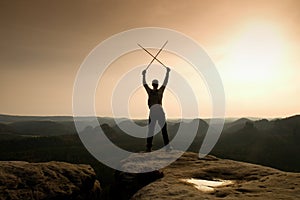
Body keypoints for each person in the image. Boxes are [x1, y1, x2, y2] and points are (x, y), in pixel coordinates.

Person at [142, 67, 172, 152]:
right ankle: (167, 147)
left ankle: (148, 147)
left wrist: (144, 75)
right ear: (157, 85)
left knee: (151, 130)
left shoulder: (150, 92)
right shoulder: (160, 91)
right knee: (164, 130)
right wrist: (167, 72)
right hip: (160, 111)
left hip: (153, 112)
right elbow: (166, 82)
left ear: (152, 84)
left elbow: (144, 84)